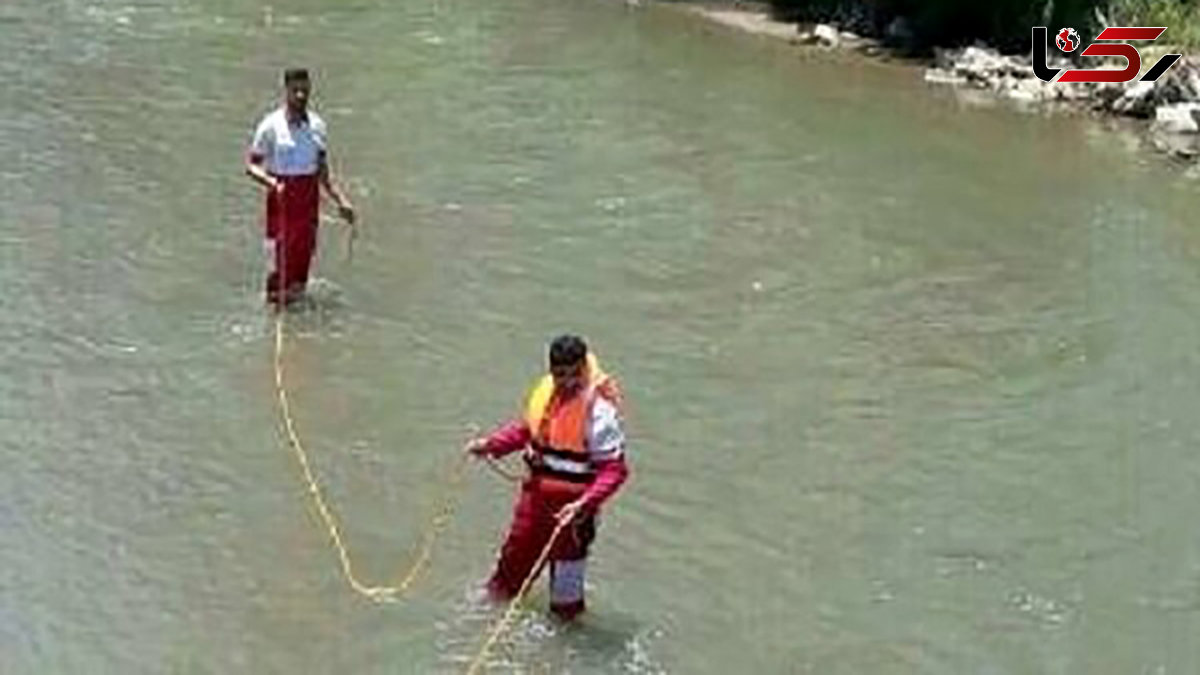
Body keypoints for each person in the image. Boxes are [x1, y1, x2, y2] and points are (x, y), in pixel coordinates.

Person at [465, 335, 631, 621]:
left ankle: (565, 638)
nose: (567, 382)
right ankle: (486, 619)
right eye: (560, 375)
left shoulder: (599, 412)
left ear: (584, 368)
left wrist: (584, 504)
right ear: (551, 370)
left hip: (574, 514)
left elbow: (614, 471)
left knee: (566, 597)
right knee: (507, 575)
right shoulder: (546, 395)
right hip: (535, 500)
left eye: (574, 374)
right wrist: (492, 445)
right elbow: (526, 431)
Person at [245, 68, 355, 307]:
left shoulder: (317, 126)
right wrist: (272, 183)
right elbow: (251, 166)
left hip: (308, 199)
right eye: (295, 90)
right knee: (279, 262)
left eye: (304, 91)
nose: (300, 96)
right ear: (285, 90)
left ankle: (297, 322)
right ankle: (275, 314)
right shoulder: (270, 125)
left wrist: (341, 201)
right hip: (282, 198)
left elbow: (322, 171)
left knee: (302, 260)